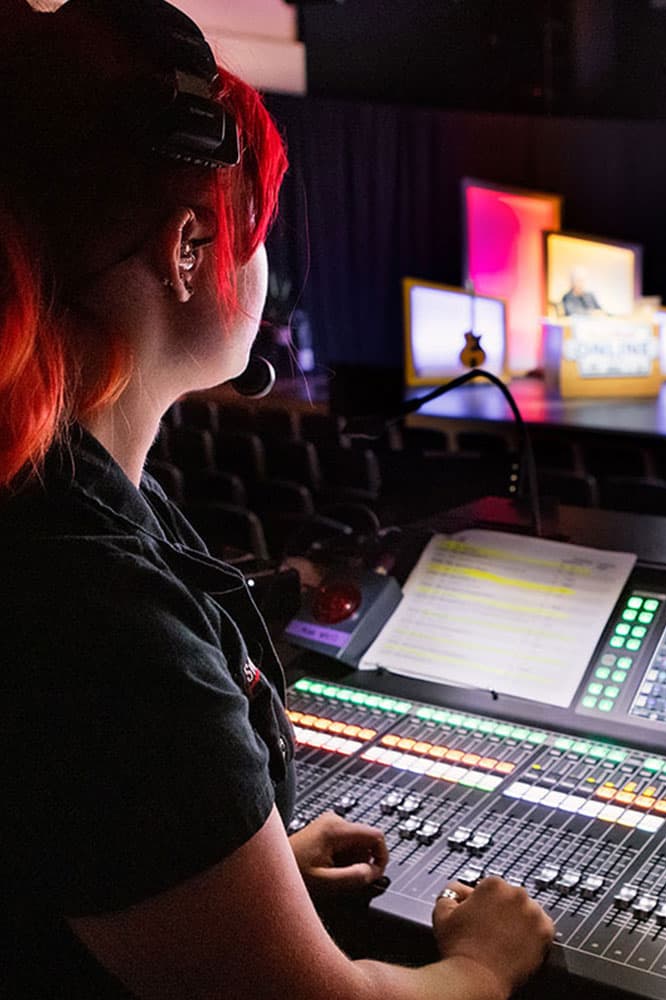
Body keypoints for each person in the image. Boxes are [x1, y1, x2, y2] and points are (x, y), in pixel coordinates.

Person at [0, 2, 553, 998]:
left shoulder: (52, 500)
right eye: (252, 232)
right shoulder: (94, 609)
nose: (266, 265)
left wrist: (234, 881)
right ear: (186, 252)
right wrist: (485, 960)